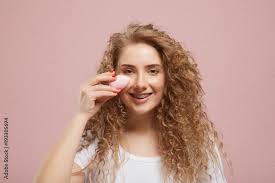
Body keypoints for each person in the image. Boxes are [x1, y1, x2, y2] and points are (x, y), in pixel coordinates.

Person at [33, 22, 231, 183]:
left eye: (153, 71)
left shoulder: (195, 145)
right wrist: (81, 116)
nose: (140, 84)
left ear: (169, 77)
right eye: (128, 71)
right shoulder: (99, 145)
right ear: (113, 76)